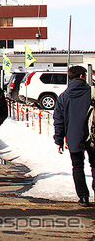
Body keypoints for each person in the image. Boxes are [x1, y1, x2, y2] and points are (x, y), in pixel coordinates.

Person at [53, 65, 95, 207]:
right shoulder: (92, 92)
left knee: (77, 166)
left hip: (73, 136)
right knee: (94, 164)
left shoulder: (63, 97)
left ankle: (83, 197)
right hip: (93, 135)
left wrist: (59, 140)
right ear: (83, 76)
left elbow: (59, 120)